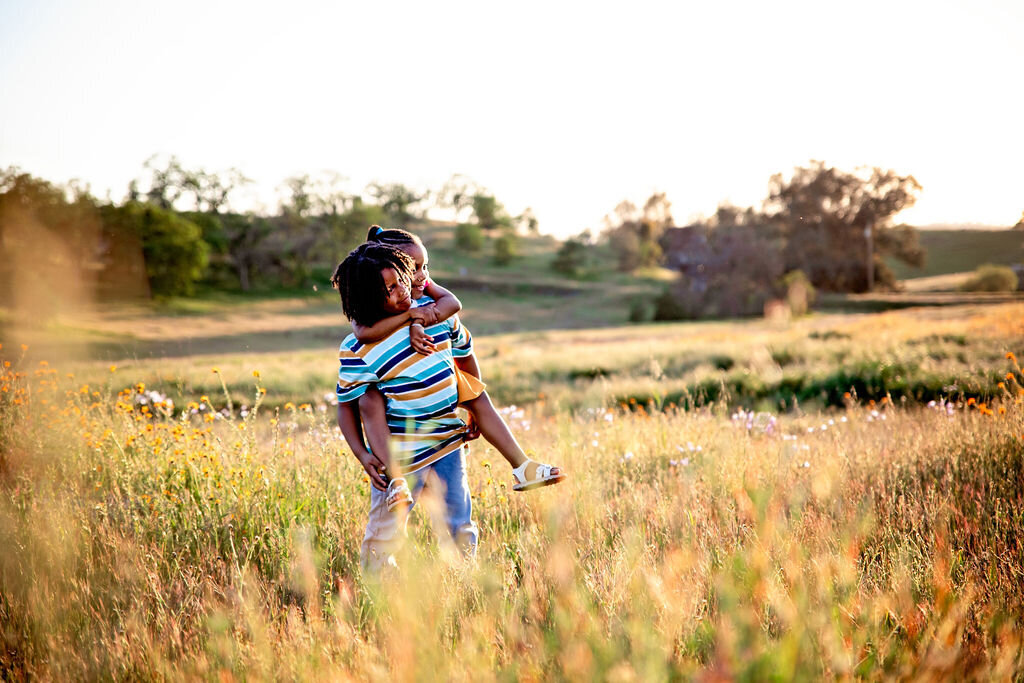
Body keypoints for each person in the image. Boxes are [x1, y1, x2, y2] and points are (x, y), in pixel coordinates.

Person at [354, 225, 565, 502]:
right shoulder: (370, 310)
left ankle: (522, 466)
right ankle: (396, 479)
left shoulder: (427, 291)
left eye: (425, 266)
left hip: (442, 392)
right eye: (414, 268)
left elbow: (454, 307)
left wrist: (472, 401)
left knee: (479, 396)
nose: (422, 276)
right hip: (403, 418)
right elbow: (361, 331)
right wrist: (410, 319)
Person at [332, 241, 477, 569]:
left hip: (446, 444)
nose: (403, 291)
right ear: (368, 297)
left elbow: (465, 353)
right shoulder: (358, 347)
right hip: (398, 457)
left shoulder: (433, 316)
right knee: (385, 534)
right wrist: (362, 453)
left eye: (401, 280)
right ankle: (377, 597)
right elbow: (347, 405)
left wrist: (471, 407)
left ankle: (469, 587)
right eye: (390, 288)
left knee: (459, 524)